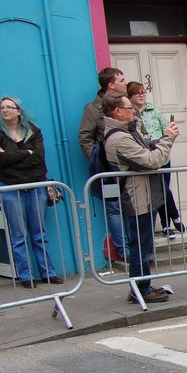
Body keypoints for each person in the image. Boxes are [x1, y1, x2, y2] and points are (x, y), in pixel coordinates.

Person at [102, 92, 178, 304]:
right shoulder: (119, 139)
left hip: (143, 196)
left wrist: (162, 138)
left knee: (143, 244)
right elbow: (152, 160)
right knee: (140, 247)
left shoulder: (127, 132)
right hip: (137, 199)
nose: (134, 111)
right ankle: (141, 289)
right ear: (117, 112)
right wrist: (168, 139)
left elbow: (146, 149)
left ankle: (140, 286)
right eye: (129, 108)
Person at [0, 96, 62, 288]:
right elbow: (0, 159)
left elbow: (39, 157)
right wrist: (25, 153)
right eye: (2, 108)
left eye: (9, 107)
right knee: (18, 235)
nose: (5, 110)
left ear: (18, 111)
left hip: (36, 186)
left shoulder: (33, 131)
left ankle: (48, 273)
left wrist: (12, 156)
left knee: (39, 233)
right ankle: (26, 276)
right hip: (10, 187)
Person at [79, 67, 128, 259]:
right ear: (111, 84)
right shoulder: (93, 109)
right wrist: (99, 161)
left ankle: (138, 246)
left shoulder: (127, 104)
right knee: (114, 208)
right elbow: (85, 137)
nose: (125, 83)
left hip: (130, 166)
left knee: (133, 206)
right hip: (108, 172)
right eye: (122, 80)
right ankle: (125, 251)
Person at [126, 82, 183, 239]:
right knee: (161, 191)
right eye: (138, 93)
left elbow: (166, 129)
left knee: (164, 190)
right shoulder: (131, 114)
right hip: (146, 158)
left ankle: (167, 225)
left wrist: (168, 136)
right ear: (130, 97)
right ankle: (174, 218)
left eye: (144, 92)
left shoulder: (154, 110)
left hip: (161, 156)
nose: (142, 95)